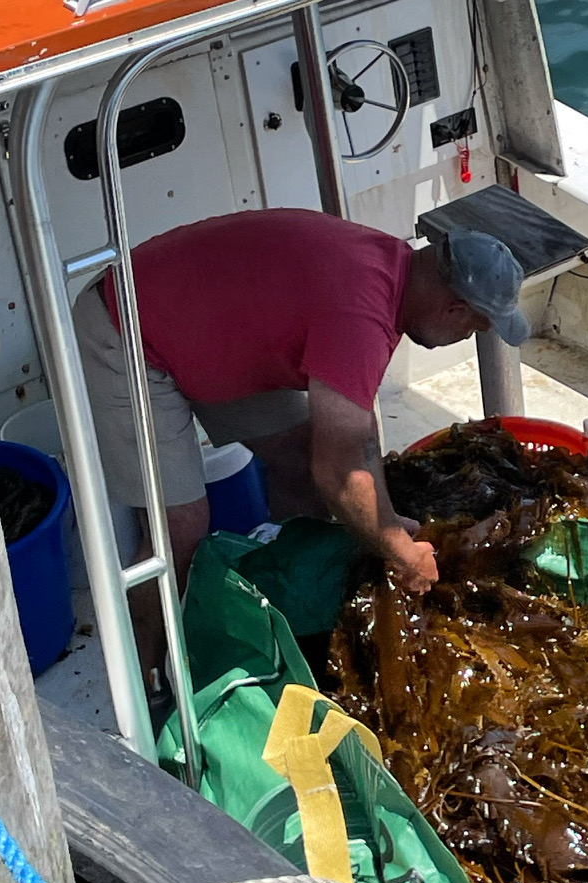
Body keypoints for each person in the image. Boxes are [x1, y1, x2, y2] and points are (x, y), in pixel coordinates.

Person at [73, 208, 526, 696]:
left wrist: (390, 523)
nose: (466, 337)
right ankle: (145, 683)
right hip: (129, 328)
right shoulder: (361, 308)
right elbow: (339, 467)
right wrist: (400, 553)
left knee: (299, 462)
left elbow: (353, 435)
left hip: (209, 329)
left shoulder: (393, 275)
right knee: (179, 528)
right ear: (454, 310)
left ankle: (285, 603)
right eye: (475, 328)